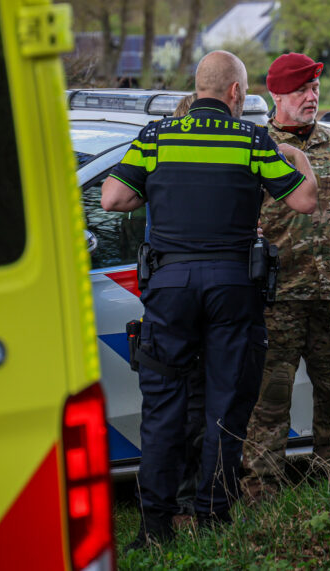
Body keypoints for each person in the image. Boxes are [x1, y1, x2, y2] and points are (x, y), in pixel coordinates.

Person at [101, 50, 318, 546]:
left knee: (162, 408)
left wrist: (154, 193)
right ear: (236, 93)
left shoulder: (156, 137)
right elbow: (305, 199)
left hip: (170, 290)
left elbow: (112, 199)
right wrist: (297, 157)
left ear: (198, 88)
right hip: (233, 289)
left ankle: (155, 526)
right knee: (226, 404)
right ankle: (215, 519)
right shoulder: (252, 141)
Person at [241, 53, 330, 501]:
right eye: (300, 91)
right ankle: (262, 495)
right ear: (276, 94)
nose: (311, 97)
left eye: (314, 89)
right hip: (277, 299)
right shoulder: (254, 146)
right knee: (268, 403)